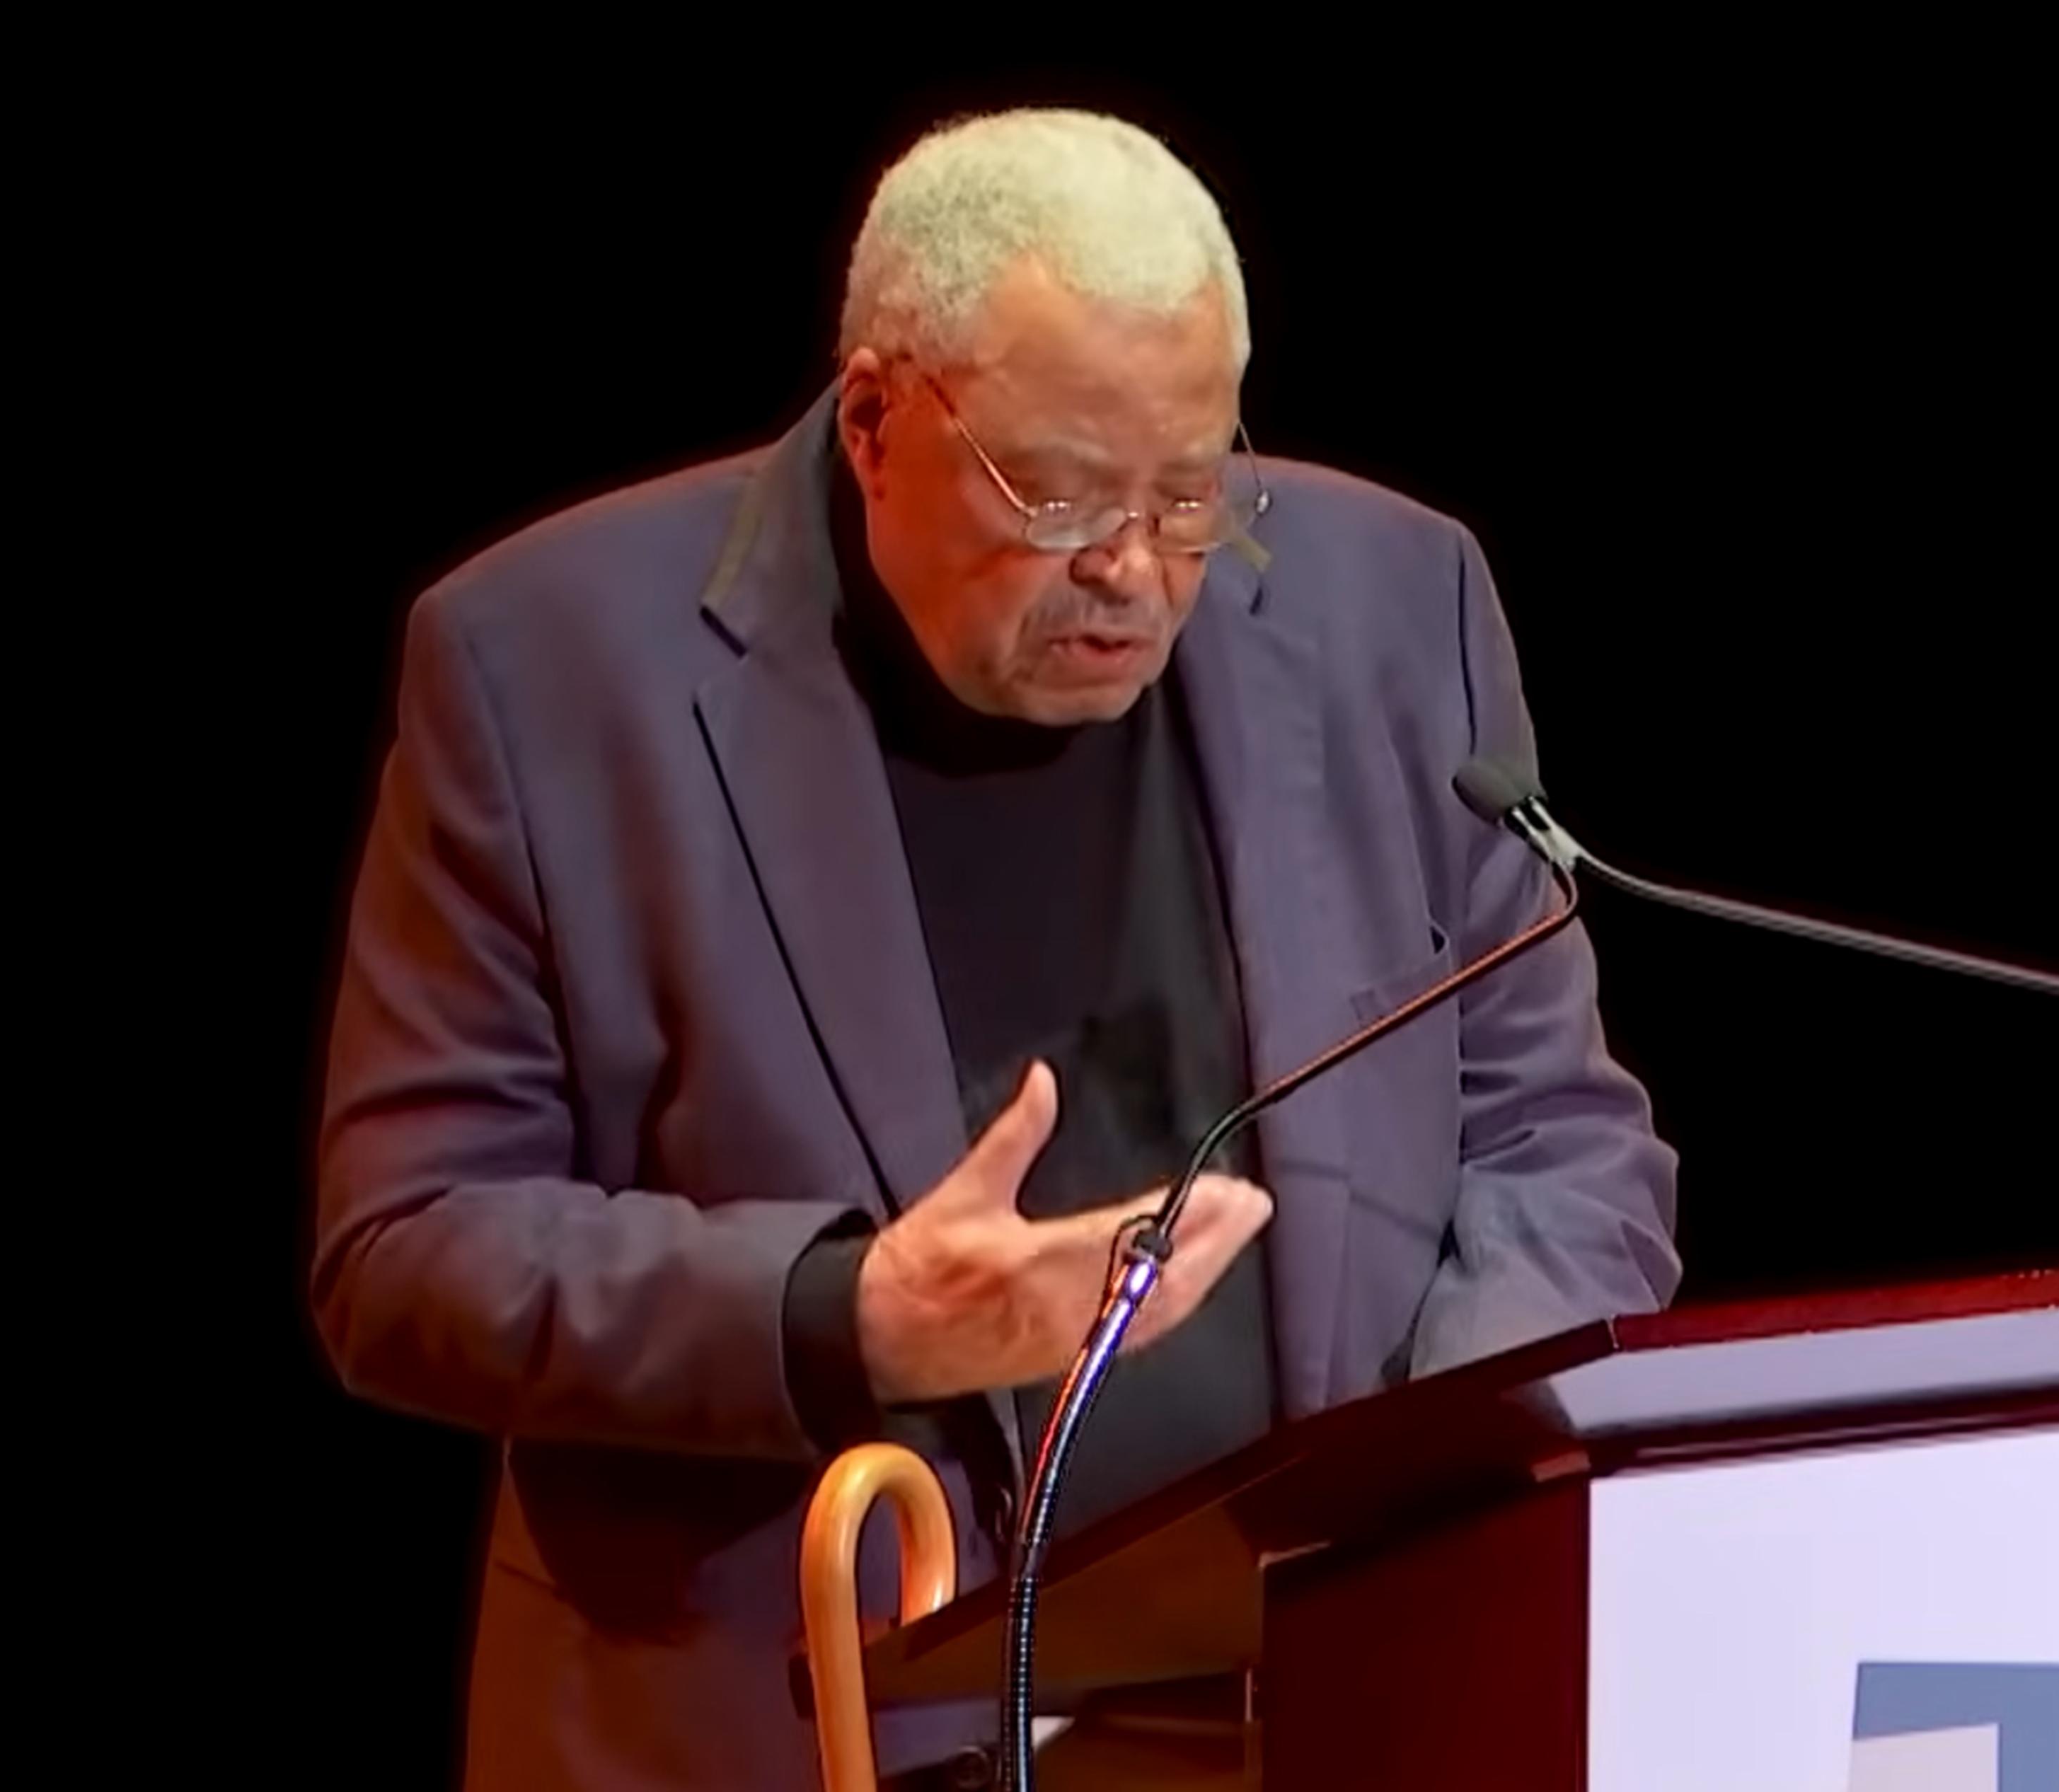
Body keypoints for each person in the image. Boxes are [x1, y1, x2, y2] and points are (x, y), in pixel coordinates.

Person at [314, 106, 1679, 1791]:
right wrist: (846, 1314)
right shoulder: (545, 668)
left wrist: (1423, 1484)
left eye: (1191, 491)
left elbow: (1559, 1138)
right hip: (791, 1726)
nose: (1132, 570)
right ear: (878, 417)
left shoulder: (1397, 599)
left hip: (1321, 1704)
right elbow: (406, 1246)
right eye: (1056, 494)